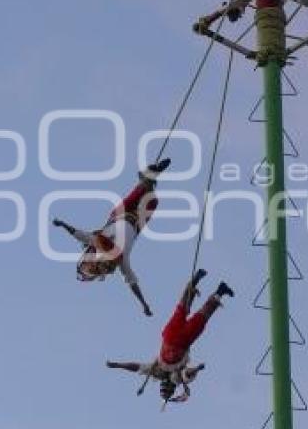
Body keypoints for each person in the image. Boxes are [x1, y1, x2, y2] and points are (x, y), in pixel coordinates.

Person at [52, 159, 170, 317]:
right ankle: (148, 177)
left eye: (96, 267)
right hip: (136, 222)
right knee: (153, 200)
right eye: (104, 269)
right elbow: (132, 284)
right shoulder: (122, 261)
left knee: (141, 191)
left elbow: (79, 235)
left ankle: (147, 177)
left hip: (119, 214)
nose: (106, 266)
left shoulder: (99, 244)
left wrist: (62, 224)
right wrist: (144, 304)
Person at [106, 269, 235, 406]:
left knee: (201, 315)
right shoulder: (157, 371)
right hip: (169, 335)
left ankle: (217, 290)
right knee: (183, 308)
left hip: (180, 341)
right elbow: (137, 367)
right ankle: (204, 284)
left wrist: (197, 368)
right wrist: (117, 365)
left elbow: (186, 374)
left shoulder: (169, 375)